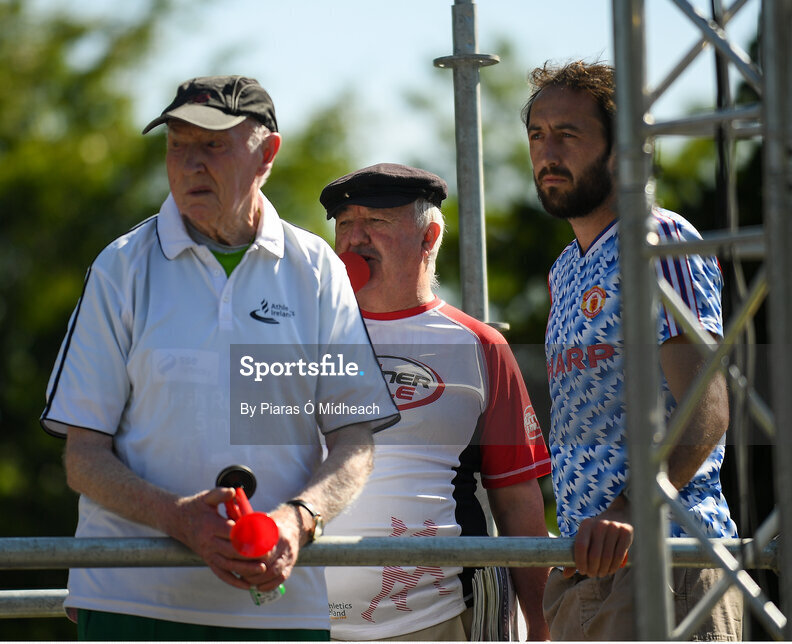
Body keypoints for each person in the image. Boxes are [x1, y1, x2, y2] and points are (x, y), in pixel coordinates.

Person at [40, 75, 400, 641]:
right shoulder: (121, 268)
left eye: (212, 145)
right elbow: (83, 457)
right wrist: (178, 517)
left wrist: (297, 520)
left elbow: (355, 442)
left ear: (267, 155)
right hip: (132, 606)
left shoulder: (316, 270)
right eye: (177, 144)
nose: (190, 164)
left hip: (280, 612)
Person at [523, 60, 743, 640]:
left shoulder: (658, 238)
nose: (547, 152)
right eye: (537, 134)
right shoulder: (564, 270)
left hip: (666, 560)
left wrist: (626, 509)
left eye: (568, 134)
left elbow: (708, 408)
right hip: (584, 568)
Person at [319, 163, 552, 641]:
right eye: (344, 224)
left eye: (377, 222)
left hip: (444, 619)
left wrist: (543, 625)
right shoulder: (300, 337)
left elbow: (517, 500)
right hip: (308, 621)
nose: (354, 240)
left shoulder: (480, 346)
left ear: (430, 236)